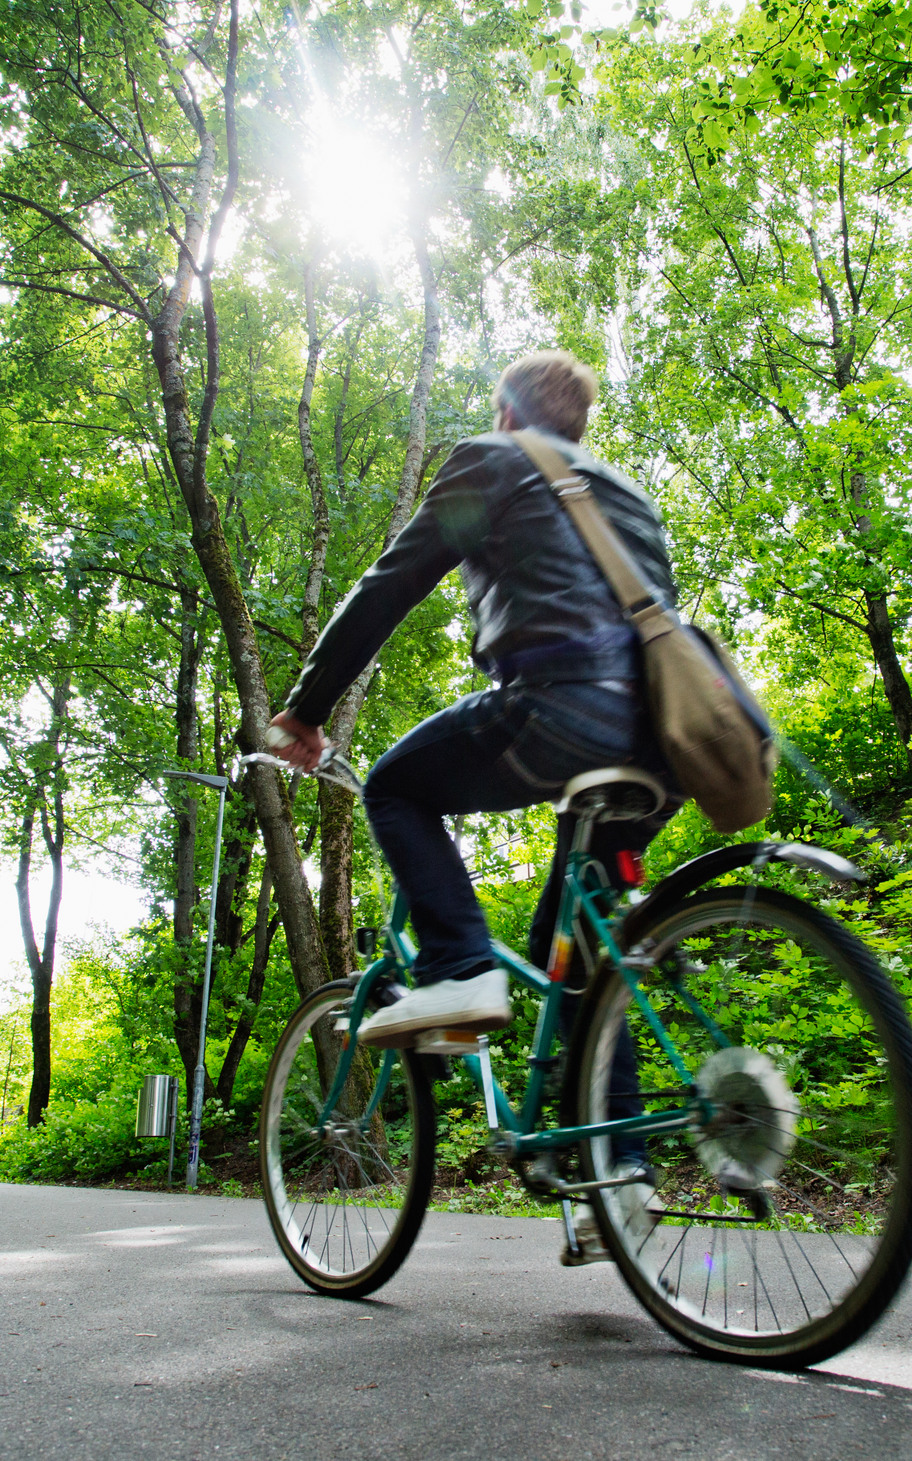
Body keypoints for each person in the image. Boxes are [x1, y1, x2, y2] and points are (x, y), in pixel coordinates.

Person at [270, 350, 677, 1257]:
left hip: (560, 712)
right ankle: (614, 1182)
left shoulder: (492, 463)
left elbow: (391, 584)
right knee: (577, 958)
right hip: (664, 743)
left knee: (396, 785)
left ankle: (457, 969)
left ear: (505, 412)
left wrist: (306, 707)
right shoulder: (630, 497)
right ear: (578, 425)